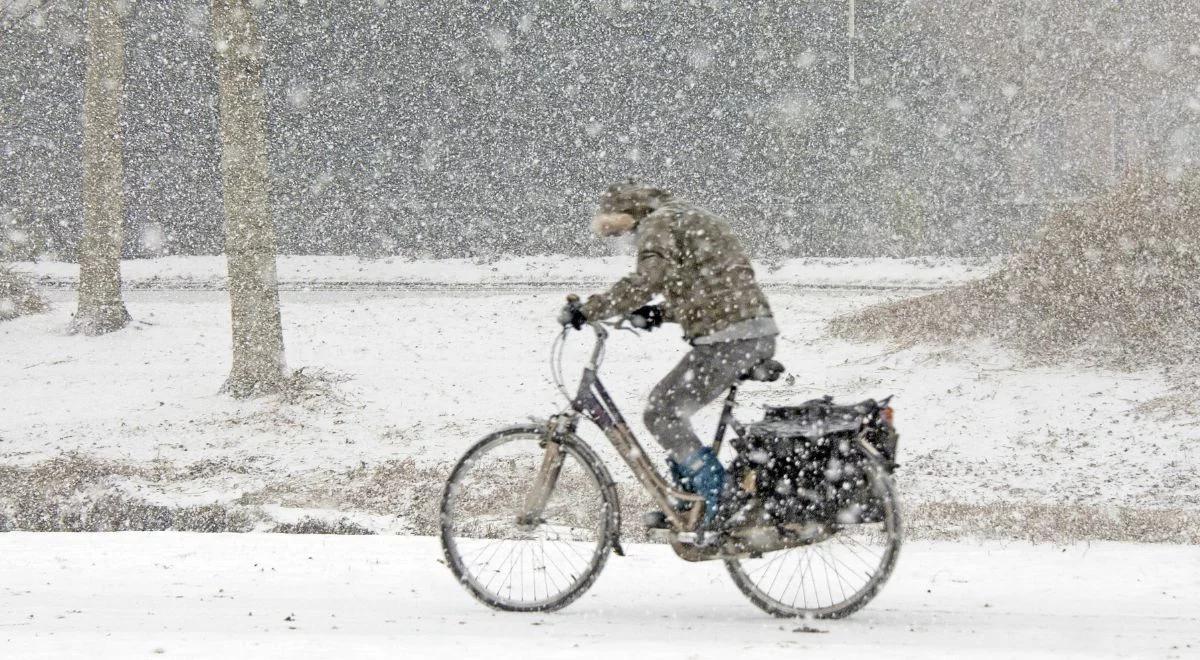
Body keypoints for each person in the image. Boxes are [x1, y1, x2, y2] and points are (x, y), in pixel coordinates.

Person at [560, 180, 778, 527]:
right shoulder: (684, 216)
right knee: (668, 409)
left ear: (628, 214)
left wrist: (590, 309)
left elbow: (647, 280)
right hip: (748, 331)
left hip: (732, 339)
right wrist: (660, 313)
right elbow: (712, 285)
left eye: (619, 232)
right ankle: (690, 502)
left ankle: (716, 497)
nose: (625, 240)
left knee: (661, 412)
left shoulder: (657, 224)